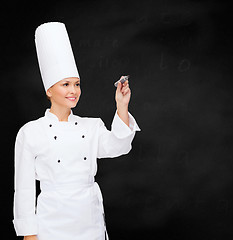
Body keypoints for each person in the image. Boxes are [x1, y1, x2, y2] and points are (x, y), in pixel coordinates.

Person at [12, 22, 141, 240]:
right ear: (49, 90)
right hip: (51, 222)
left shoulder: (91, 126)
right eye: (66, 84)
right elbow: (23, 188)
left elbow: (119, 146)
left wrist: (121, 105)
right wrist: (29, 233)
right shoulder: (31, 132)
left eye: (77, 84)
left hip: (89, 219)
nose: (73, 91)